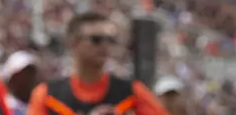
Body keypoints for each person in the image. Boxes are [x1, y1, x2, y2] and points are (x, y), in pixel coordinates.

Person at [28, 13, 172, 115]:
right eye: (96, 40)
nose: (104, 46)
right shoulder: (47, 96)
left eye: (109, 39)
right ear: (73, 42)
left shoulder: (132, 93)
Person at [0, 51, 42, 115]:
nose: (27, 78)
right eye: (21, 75)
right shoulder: (3, 108)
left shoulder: (44, 103)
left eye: (30, 73)